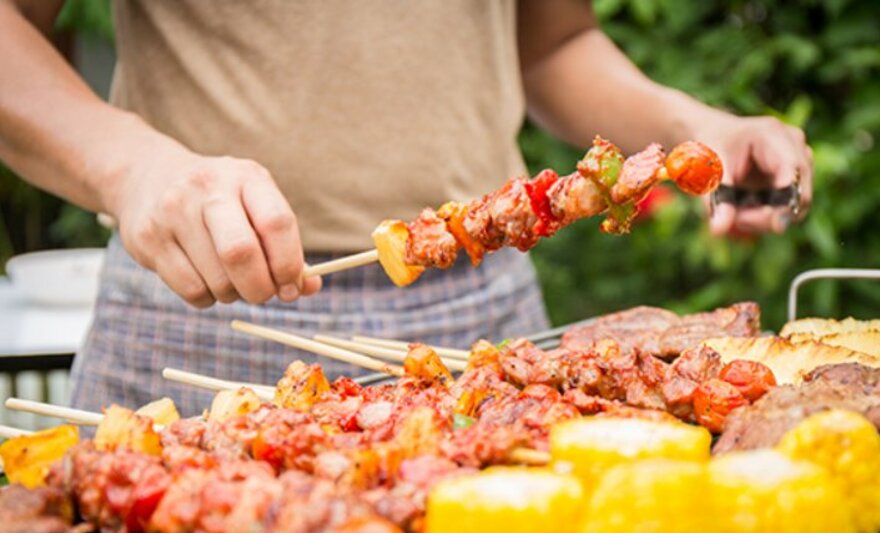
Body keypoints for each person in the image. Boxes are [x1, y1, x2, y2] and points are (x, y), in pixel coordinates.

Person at [0, 1, 812, 415]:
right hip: (199, 309)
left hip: (487, 322)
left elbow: (552, 43)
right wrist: (129, 165)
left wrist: (691, 129)